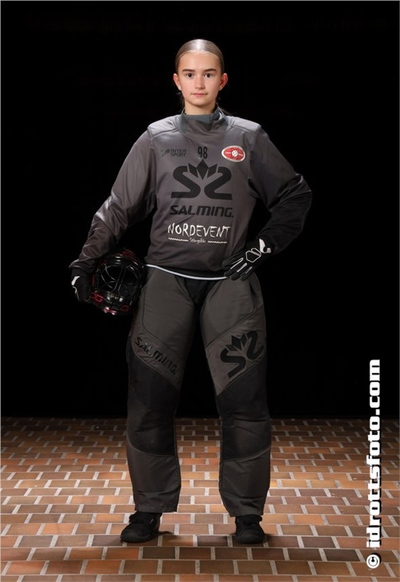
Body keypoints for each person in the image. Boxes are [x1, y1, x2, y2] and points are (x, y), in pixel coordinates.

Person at [70, 38, 312, 545]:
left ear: (223, 80)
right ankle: (148, 509)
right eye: (189, 73)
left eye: (208, 73)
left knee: (245, 403)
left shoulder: (248, 137)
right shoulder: (155, 138)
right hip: (165, 282)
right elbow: (118, 206)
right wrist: (85, 261)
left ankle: (247, 516)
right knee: (149, 401)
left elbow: (295, 194)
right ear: (176, 80)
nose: (198, 82)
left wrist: (263, 246)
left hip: (231, 283)